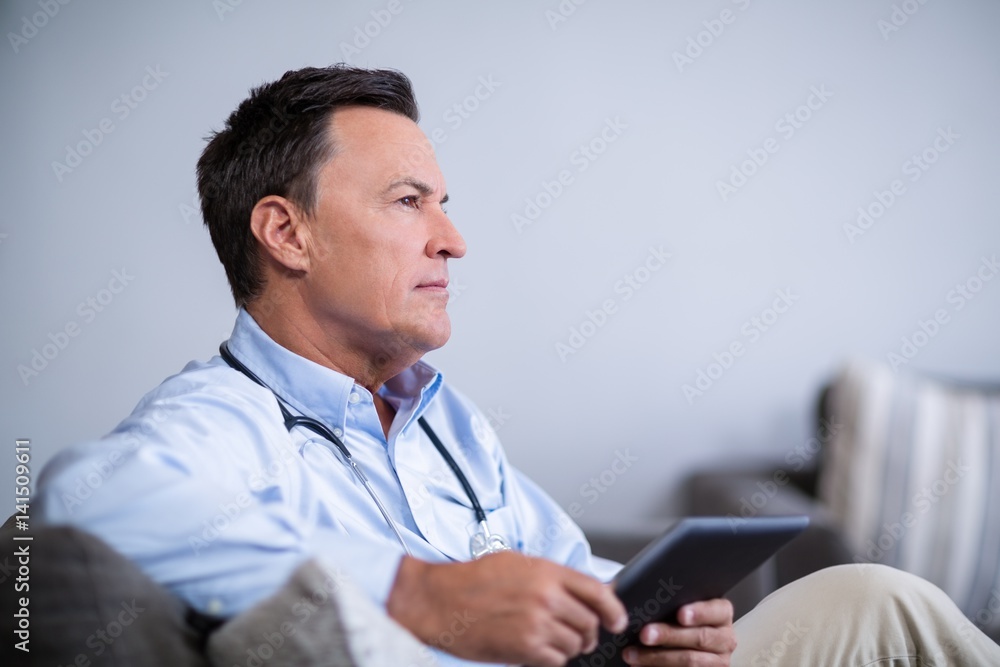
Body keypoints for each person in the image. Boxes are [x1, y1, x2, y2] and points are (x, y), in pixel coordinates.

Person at [36, 65, 1000, 667]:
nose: (452, 239)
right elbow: (78, 501)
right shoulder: (217, 421)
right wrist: (412, 591)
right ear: (286, 233)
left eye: (443, 202)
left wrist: (658, 620)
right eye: (410, 201)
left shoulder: (441, 421)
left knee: (880, 597)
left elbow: (571, 566)